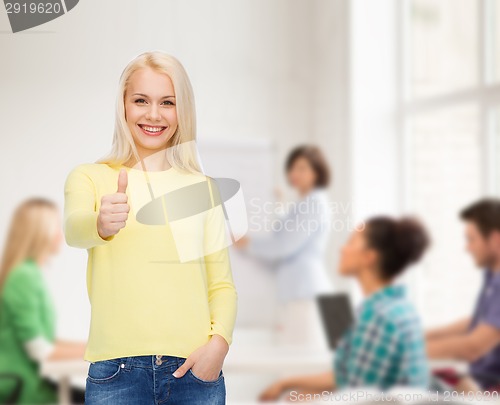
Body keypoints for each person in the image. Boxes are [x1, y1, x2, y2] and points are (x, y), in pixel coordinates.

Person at [63, 51, 238, 405]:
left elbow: (221, 284)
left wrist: (218, 345)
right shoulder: (92, 177)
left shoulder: (203, 190)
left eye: (167, 102)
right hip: (116, 374)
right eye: (141, 100)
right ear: (123, 106)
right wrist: (100, 223)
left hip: (194, 373)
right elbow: (73, 230)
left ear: (182, 110)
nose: (154, 114)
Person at [259, 216, 431, 401]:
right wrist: (289, 384)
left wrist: (313, 399)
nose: (342, 248)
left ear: (369, 257)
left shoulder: (377, 317)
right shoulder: (398, 307)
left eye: (351, 242)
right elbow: (349, 378)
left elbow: (358, 397)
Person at [234, 145, 333, 348]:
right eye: (292, 168)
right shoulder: (305, 203)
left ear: (317, 172)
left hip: (308, 296)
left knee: (303, 366)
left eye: (302, 168)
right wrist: (279, 204)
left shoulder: (315, 202)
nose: (294, 173)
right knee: (301, 364)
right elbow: (286, 235)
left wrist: (248, 243)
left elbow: (285, 245)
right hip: (304, 295)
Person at [0, 198, 86, 404]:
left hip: (32, 385)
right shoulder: (23, 277)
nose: (61, 234)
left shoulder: (30, 274)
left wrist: (94, 347)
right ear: (40, 233)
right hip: (21, 389)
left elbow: (44, 339)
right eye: (56, 226)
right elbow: (41, 350)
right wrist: (95, 351)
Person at [426, 198, 500, 392]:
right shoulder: (492, 276)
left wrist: (407, 351)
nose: (467, 248)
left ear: (494, 239)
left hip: (490, 389)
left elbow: (473, 347)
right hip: (478, 382)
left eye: (471, 239)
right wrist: (424, 335)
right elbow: (479, 322)